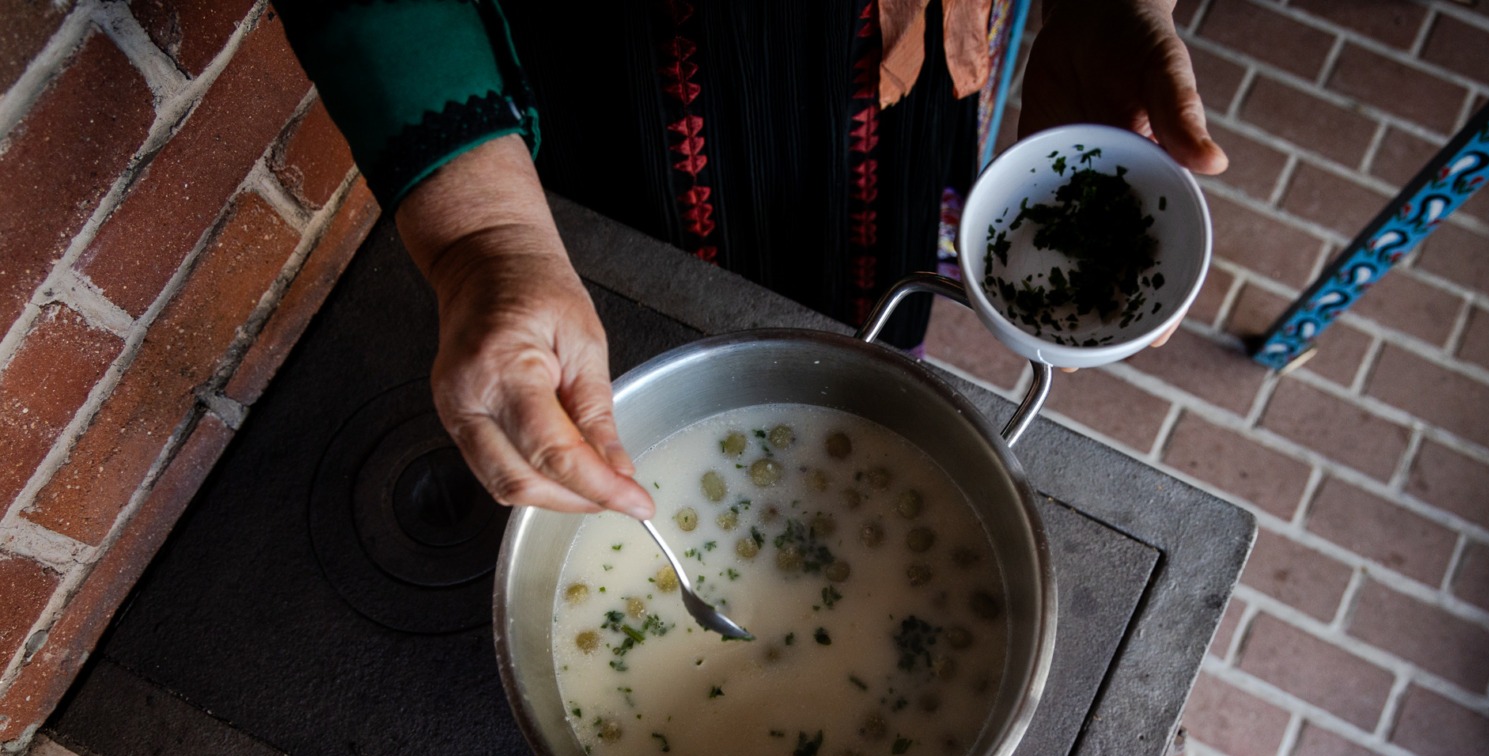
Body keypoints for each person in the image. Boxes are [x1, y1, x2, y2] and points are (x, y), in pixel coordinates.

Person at [275, 0, 1227, 520]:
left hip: (895, 79)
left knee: (879, 314)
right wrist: (490, 239)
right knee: (637, 339)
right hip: (631, 78)